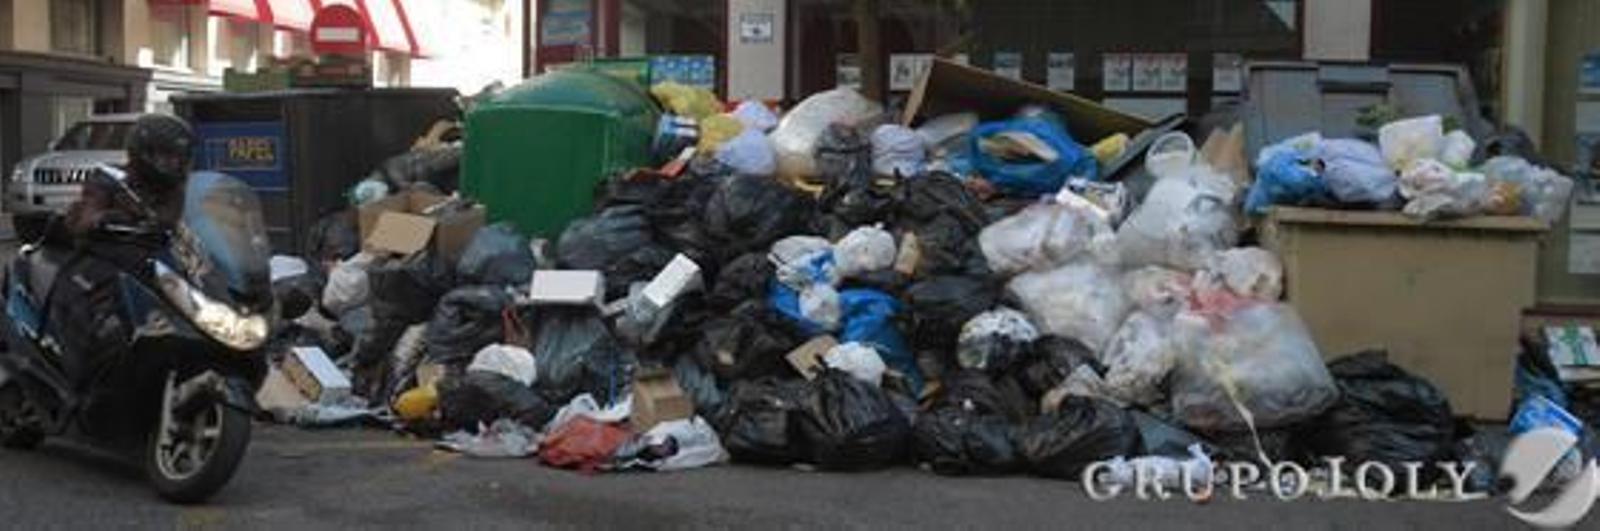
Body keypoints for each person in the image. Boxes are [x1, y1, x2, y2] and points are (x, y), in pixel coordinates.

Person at [61, 113, 195, 241]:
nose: (174, 162)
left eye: (179, 156)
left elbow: (170, 219)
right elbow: (86, 219)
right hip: (108, 253)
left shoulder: (173, 189)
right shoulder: (110, 178)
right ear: (144, 152)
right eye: (167, 155)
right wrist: (105, 217)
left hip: (155, 254)